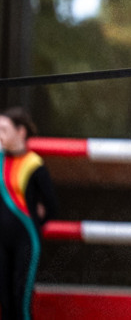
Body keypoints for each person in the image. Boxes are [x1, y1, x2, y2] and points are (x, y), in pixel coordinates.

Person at [0, 107, 57, 320]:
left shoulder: (34, 164)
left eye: (4, 130)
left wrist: (35, 221)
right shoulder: (0, 161)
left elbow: (52, 206)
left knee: (21, 299)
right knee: (4, 301)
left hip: (26, 239)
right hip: (1, 242)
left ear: (20, 132)